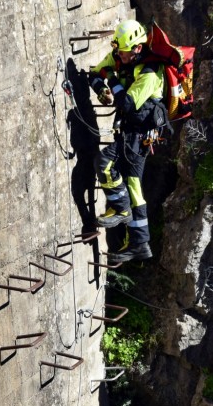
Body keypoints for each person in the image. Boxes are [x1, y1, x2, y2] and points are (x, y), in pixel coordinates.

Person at [86, 19, 171, 263]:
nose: (119, 56)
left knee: (106, 163)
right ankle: (139, 243)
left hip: (141, 134)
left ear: (136, 48)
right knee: (133, 184)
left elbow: (127, 104)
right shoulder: (120, 56)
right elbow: (96, 72)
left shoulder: (150, 72)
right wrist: (101, 89)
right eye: (118, 52)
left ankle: (121, 209)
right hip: (129, 131)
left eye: (123, 52)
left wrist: (111, 79)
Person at [63, 57, 100, 238]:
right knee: (82, 191)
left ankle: (89, 223)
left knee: (79, 191)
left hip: (87, 153)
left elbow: (81, 114)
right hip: (88, 153)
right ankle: (89, 223)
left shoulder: (84, 109)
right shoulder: (84, 109)